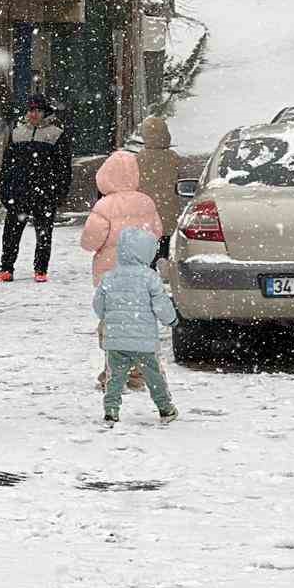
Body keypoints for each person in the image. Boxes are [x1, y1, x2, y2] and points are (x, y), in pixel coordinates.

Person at [80, 150, 164, 392]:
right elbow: (156, 232)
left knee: (112, 325)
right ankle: (137, 374)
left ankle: (113, 373)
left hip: (111, 276)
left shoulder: (104, 206)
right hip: (140, 276)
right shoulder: (146, 202)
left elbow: (90, 241)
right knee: (137, 324)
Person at [93, 228, 180, 427]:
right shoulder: (150, 277)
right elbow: (161, 305)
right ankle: (165, 408)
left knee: (114, 377)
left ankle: (111, 410)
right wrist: (172, 320)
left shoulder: (110, 277)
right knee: (153, 376)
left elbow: (98, 305)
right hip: (144, 342)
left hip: (116, 340)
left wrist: (109, 318)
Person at [0, 94, 72, 283]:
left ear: (45, 112)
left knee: (44, 232)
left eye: (37, 110)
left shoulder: (55, 134)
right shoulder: (17, 133)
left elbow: (63, 167)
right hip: (18, 191)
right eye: (31, 110)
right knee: (11, 232)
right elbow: (7, 164)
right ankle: (6, 268)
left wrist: (59, 192)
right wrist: (5, 189)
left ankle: (40, 269)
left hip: (45, 192)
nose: (33, 114)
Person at [135, 115, 185, 265]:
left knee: (149, 238)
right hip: (168, 206)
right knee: (166, 237)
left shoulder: (139, 158)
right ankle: (164, 262)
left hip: (146, 207)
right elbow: (179, 179)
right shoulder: (173, 158)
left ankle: (150, 262)